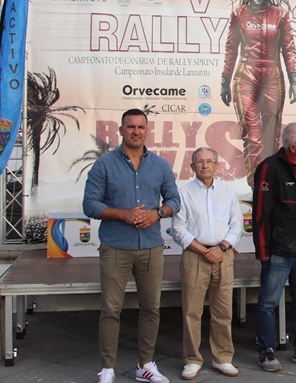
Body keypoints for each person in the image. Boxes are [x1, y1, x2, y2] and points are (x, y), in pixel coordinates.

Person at [83, 108, 181, 383]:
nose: (136, 131)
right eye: (130, 126)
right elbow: (90, 205)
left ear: (146, 130)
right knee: (110, 309)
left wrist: (157, 214)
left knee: (151, 308)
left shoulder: (160, 165)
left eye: (140, 127)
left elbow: (174, 200)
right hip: (115, 247)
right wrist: (122, 214)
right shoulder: (104, 165)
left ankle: (145, 365)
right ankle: (107, 368)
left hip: (151, 247)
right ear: (121, 130)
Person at [252, 122, 296, 372]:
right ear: (292, 147)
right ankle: (266, 350)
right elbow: (260, 212)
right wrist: (262, 249)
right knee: (268, 302)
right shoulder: (269, 167)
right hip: (279, 250)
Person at [221, 0, 296, 185]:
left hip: (273, 77)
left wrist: (294, 79)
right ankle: (257, 185)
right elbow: (231, 48)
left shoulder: (280, 15)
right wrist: (224, 81)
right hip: (246, 76)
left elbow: (289, 48)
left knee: (271, 136)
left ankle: (270, 184)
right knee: (253, 133)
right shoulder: (239, 13)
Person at [171, 147, 242, 380]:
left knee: (223, 311)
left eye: (210, 161)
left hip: (223, 255)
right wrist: (204, 250)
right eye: (200, 162)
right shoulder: (183, 193)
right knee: (192, 311)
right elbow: (178, 229)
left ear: (217, 165)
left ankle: (223, 358)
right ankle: (192, 360)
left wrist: (221, 248)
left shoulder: (227, 192)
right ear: (192, 166)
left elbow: (236, 226)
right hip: (195, 255)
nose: (205, 165)